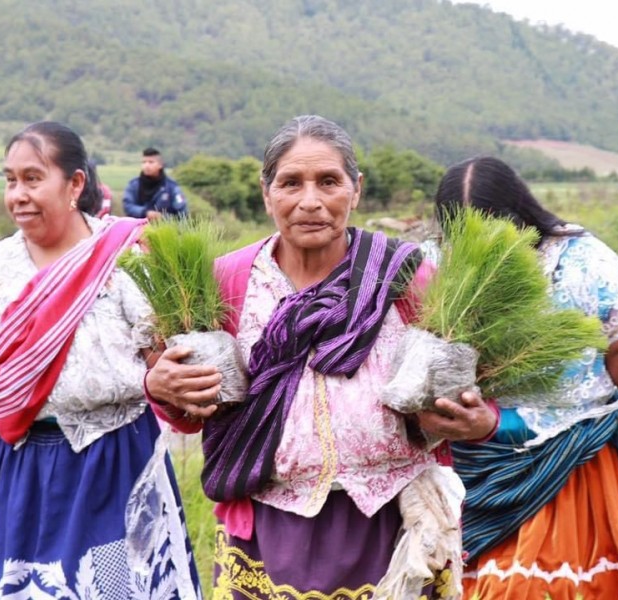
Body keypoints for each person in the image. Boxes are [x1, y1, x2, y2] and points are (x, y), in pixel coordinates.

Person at [143, 115, 498, 600]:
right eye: (291, 183)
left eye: (328, 181)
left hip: (393, 527)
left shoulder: (407, 279)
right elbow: (188, 409)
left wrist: (480, 421)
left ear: (356, 190)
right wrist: (161, 389)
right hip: (268, 529)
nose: (310, 201)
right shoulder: (227, 282)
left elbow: (480, 391)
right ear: (267, 192)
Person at [433, 156, 618, 600]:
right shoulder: (436, 269)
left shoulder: (584, 264)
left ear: (522, 218)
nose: (483, 248)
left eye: (497, 231)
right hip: (471, 477)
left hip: (570, 469)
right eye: (464, 236)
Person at [0, 121, 202, 598]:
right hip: (24, 476)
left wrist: (170, 381)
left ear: (75, 183)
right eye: (10, 179)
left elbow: (165, 368)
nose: (18, 194)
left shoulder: (126, 261)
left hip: (114, 466)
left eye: (33, 178)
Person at [123, 147, 188, 221]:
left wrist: (163, 217)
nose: (146, 165)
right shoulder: (133, 185)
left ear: (160, 165)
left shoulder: (171, 187)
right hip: (137, 228)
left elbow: (182, 213)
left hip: (163, 229)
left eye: (151, 162)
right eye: (144, 162)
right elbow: (128, 206)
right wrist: (145, 212)